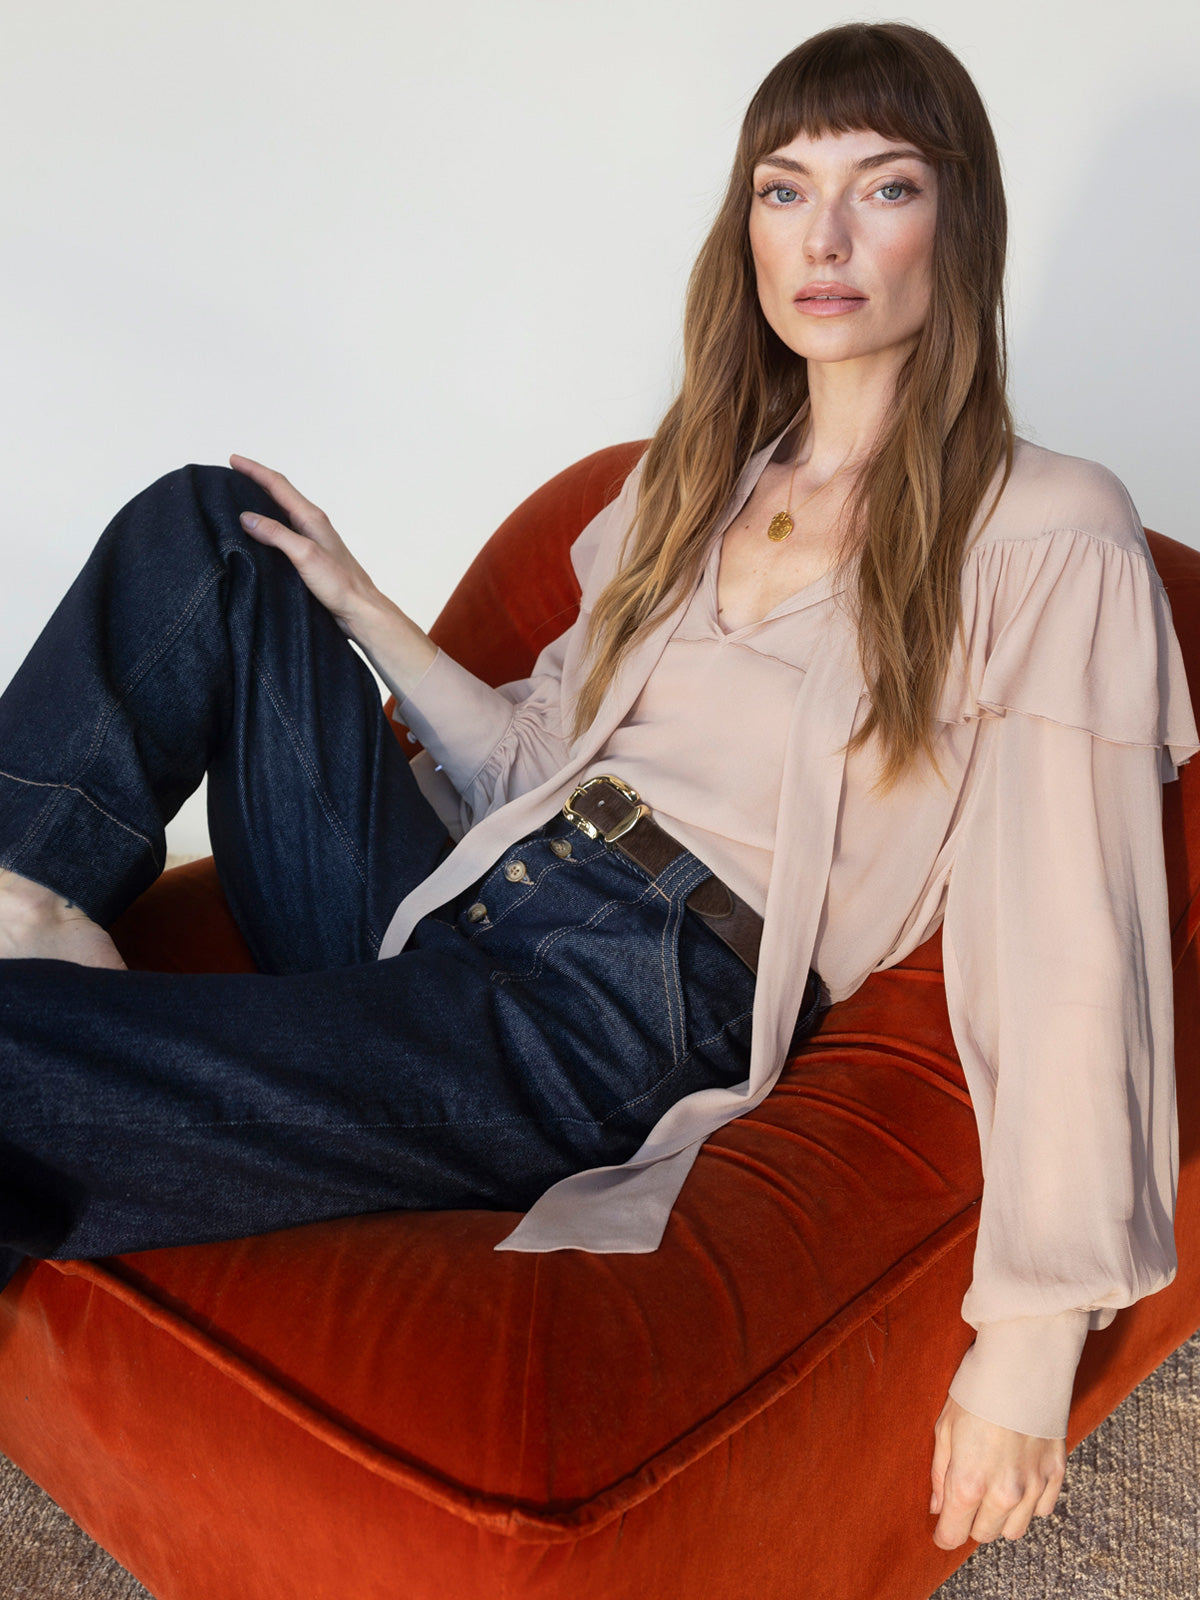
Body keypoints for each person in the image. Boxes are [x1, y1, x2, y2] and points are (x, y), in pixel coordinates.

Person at [0, 18, 1195, 1557]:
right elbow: (528, 762)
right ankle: (23, 907)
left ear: (960, 223)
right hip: (462, 891)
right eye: (784, 189)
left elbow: (1072, 929)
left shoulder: (1047, 528)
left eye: (885, 187)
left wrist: (1032, 1333)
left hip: (615, 1010)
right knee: (216, 525)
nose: (824, 237)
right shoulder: (691, 482)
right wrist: (364, 610)